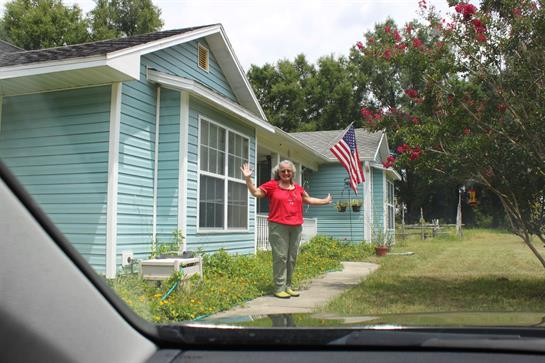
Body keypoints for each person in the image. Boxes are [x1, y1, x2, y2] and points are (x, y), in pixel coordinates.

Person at [241, 160, 332, 299]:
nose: (285, 173)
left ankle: (288, 286)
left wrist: (324, 201)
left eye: (288, 171)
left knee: (291, 258)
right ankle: (279, 288)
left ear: (292, 172)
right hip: (278, 226)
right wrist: (248, 179)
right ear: (278, 172)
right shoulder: (272, 186)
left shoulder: (297, 188)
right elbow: (256, 193)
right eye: (282, 170)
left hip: (296, 227)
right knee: (280, 257)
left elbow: (309, 200)